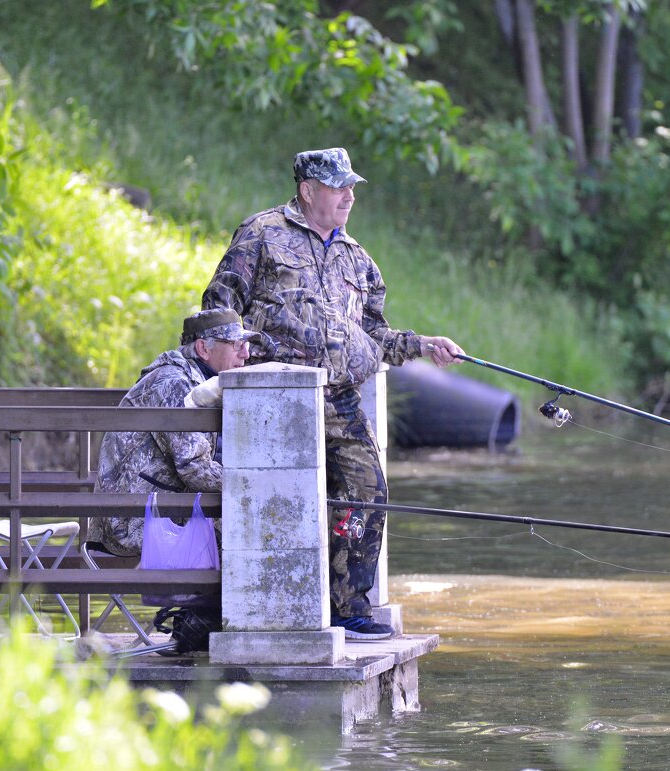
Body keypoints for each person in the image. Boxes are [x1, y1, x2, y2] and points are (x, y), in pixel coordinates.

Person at [201, 147, 464, 641]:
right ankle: (262, 611)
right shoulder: (260, 235)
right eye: (338, 186)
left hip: (338, 398)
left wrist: (425, 346)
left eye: (351, 187)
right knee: (281, 501)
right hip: (272, 398)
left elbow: (374, 335)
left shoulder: (357, 259)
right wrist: (235, 366)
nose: (348, 195)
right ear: (307, 190)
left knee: (368, 493)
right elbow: (220, 308)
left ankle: (349, 608)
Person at [87, 308, 254, 557]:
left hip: (163, 510)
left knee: (248, 522)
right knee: (249, 529)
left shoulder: (198, 383)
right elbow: (195, 469)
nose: (246, 354)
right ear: (203, 348)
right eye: (236, 344)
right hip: (132, 523)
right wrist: (255, 482)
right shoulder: (173, 383)